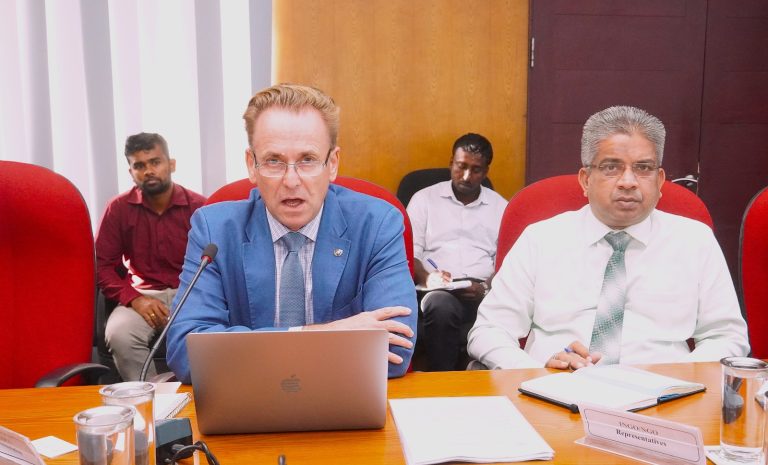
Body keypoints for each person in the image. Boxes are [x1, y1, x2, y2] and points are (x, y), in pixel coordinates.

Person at [166, 84, 417, 383]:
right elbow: (186, 352)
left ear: (332, 164)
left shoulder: (377, 224)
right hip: (247, 404)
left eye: (308, 159)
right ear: (252, 165)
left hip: (342, 400)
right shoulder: (214, 230)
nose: (291, 180)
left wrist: (254, 350)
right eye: (274, 161)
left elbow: (395, 351)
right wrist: (330, 334)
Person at [467, 105, 749, 370]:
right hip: (555, 388)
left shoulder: (695, 241)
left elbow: (726, 336)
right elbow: (489, 330)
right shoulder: (541, 239)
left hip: (664, 395)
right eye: (611, 167)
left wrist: (681, 379)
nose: (628, 182)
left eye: (643, 168)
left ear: (660, 180)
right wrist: (534, 372)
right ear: (585, 179)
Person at [96, 132, 207, 380]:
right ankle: (151, 396)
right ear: (131, 172)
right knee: (118, 334)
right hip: (142, 294)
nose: (148, 171)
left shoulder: (199, 207)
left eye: (155, 162)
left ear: (171, 164)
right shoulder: (118, 209)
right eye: (139, 165)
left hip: (190, 292)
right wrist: (135, 299)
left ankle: (197, 395)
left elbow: (215, 264)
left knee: (209, 335)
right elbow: (103, 267)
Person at [407, 133, 506, 371]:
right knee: (440, 304)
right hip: (437, 289)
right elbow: (410, 253)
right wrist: (428, 278)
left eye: (476, 170)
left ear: (486, 171)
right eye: (461, 166)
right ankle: (444, 379)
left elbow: (507, 262)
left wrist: (485, 287)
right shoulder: (424, 200)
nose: (466, 176)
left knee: (504, 310)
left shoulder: (501, 207)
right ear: (451, 162)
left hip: (483, 291)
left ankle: (478, 372)